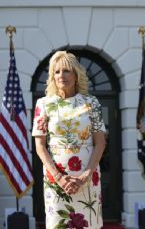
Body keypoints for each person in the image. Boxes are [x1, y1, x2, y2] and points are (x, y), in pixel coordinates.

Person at [32, 51, 106, 229]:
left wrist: (86, 175)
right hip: (56, 180)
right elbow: (40, 146)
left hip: (88, 177)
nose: (61, 76)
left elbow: (100, 142)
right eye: (56, 72)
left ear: (76, 74)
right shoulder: (44, 104)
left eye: (66, 70)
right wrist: (59, 178)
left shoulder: (91, 103)